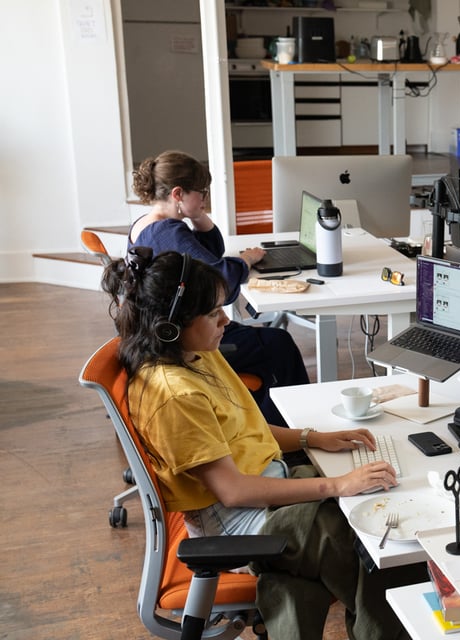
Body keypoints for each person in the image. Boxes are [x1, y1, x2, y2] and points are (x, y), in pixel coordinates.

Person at [102, 247, 423, 640]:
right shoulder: (175, 395)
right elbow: (234, 492)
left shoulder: (196, 353)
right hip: (237, 521)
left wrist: (312, 438)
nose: (225, 320)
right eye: (212, 313)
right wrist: (337, 485)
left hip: (265, 486)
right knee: (376, 546)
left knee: (374, 509)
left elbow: (244, 427)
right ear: (170, 326)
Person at [129, 150, 309, 433]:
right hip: (179, 342)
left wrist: (198, 216)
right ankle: (293, 430)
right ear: (178, 193)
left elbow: (211, 253)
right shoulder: (169, 233)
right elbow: (221, 282)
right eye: (201, 193)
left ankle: (265, 424)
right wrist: (247, 260)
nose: (205, 199)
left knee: (269, 345)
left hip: (165, 333)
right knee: (279, 345)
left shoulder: (147, 224)